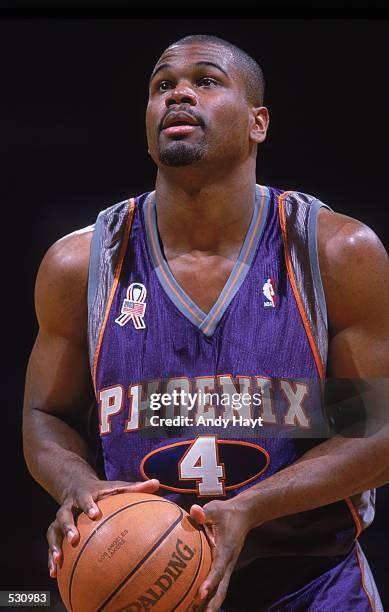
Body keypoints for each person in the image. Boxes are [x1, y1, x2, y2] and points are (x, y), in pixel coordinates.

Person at [23, 34, 389, 611]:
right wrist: (77, 484)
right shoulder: (79, 266)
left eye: (207, 81)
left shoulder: (335, 252)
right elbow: (46, 413)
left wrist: (252, 507)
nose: (178, 95)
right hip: (147, 587)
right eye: (162, 85)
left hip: (310, 583)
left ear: (257, 123)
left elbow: (378, 429)